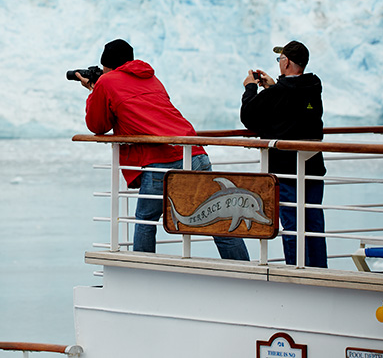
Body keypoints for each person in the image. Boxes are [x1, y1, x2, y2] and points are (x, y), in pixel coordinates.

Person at [78, 39, 249, 261]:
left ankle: (143, 275)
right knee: (219, 220)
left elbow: (98, 125)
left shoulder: (107, 81)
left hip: (161, 160)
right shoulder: (150, 77)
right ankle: (241, 267)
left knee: (145, 220)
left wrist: (93, 90)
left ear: (107, 66)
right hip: (194, 151)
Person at [240, 40, 327, 268]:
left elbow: (249, 116)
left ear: (286, 62)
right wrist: (271, 86)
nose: (279, 63)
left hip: (285, 170)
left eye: (280, 59)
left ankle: (297, 271)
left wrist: (251, 87)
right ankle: (319, 270)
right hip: (313, 168)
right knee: (313, 223)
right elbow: (291, 108)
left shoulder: (279, 93)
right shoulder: (313, 87)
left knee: (293, 224)